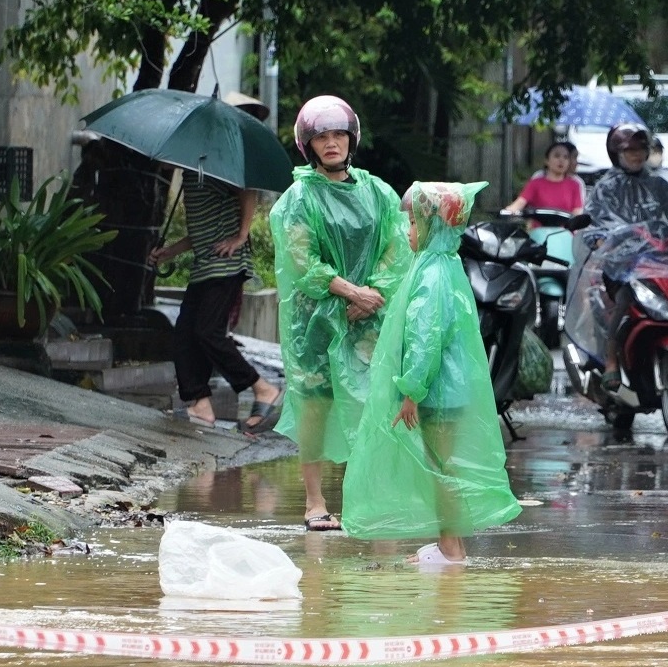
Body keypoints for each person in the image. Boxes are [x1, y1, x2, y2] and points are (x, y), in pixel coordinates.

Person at [341, 182, 522, 563]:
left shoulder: (432, 274)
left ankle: (451, 549)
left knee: (442, 469)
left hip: (437, 391)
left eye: (411, 224)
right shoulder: (443, 264)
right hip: (446, 388)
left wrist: (412, 392)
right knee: (443, 466)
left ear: (430, 225)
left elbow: (426, 338)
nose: (407, 232)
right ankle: (449, 545)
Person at [270, 96, 412, 532]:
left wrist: (372, 295)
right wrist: (348, 292)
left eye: (338, 135)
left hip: (370, 317)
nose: (330, 144)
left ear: (351, 140)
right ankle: (314, 502)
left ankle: (370, 496)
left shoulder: (379, 192)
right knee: (315, 405)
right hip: (315, 319)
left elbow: (397, 246)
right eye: (321, 137)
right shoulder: (298, 198)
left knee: (372, 404)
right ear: (307, 145)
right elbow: (300, 258)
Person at [149, 168, 283, 434]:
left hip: (226, 265)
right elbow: (201, 232)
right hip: (205, 267)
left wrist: (242, 235)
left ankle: (263, 388)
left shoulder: (215, 166)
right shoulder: (191, 173)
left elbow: (247, 191)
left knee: (208, 332)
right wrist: (169, 252)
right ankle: (201, 405)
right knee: (184, 336)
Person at [584, 121, 668, 404]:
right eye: (629, 150)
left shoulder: (660, 184)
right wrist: (600, 240)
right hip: (622, 265)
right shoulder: (605, 188)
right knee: (624, 300)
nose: (636, 155)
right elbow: (593, 223)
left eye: (641, 149)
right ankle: (611, 357)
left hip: (660, 259)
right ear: (615, 152)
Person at [503, 140, 584, 216]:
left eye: (565, 157)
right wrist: (508, 211)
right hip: (538, 230)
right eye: (557, 156)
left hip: (565, 230)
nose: (561, 160)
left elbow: (577, 211)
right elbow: (520, 202)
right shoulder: (535, 183)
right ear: (547, 160)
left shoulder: (574, 185)